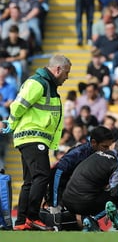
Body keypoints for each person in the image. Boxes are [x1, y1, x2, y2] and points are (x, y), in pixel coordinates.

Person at [2, 54, 71, 231]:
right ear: (58, 69)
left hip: (32, 138)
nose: (67, 77)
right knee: (42, 176)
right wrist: (10, 122)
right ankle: (33, 217)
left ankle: (22, 221)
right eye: (66, 73)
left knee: (30, 180)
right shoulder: (38, 83)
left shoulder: (48, 85)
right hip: (32, 137)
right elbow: (18, 105)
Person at [62, 136, 118, 231]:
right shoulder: (117, 165)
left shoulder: (98, 153)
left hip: (67, 199)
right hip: (81, 204)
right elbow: (116, 192)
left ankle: (87, 219)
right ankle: (92, 219)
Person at [46, 126, 114, 210]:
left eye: (109, 146)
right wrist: (55, 203)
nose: (108, 150)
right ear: (93, 142)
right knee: (58, 211)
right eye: (105, 146)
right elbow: (58, 172)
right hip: (62, 183)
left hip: (80, 188)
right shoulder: (79, 153)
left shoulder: (103, 155)